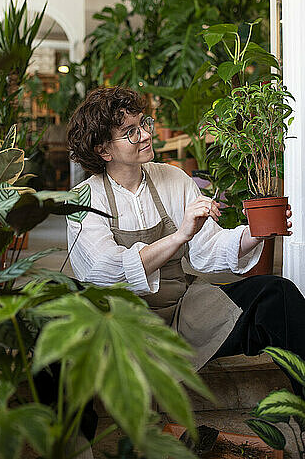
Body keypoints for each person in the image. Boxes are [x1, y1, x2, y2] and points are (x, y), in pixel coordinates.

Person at [66, 86, 305, 398]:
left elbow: (208, 251)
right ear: (104, 150)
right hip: (122, 329)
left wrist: (252, 234)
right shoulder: (84, 198)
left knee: (277, 295)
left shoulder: (173, 179)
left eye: (144, 124)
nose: (146, 135)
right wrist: (179, 236)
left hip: (182, 317)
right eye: (131, 132)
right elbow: (107, 270)